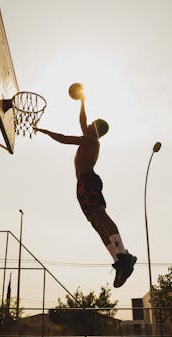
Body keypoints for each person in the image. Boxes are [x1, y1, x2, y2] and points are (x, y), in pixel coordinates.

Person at [35, 96, 136, 288]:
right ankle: (119, 260)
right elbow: (82, 120)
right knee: (95, 223)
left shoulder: (90, 140)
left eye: (90, 124)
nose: (87, 124)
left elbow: (65, 139)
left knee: (100, 214)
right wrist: (82, 100)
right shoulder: (90, 137)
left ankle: (124, 255)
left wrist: (46, 132)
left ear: (95, 129)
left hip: (89, 179)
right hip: (82, 183)